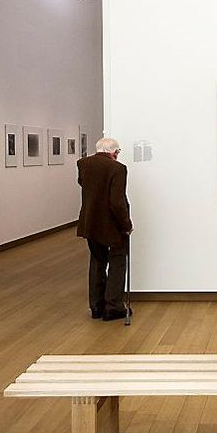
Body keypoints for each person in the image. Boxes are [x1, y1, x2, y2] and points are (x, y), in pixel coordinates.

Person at [76, 137, 133, 321]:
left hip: (90, 222)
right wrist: (126, 224)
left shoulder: (83, 164)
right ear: (114, 153)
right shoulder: (118, 168)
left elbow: (84, 185)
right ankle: (113, 307)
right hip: (111, 225)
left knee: (97, 262)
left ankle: (96, 306)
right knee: (117, 262)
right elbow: (117, 202)